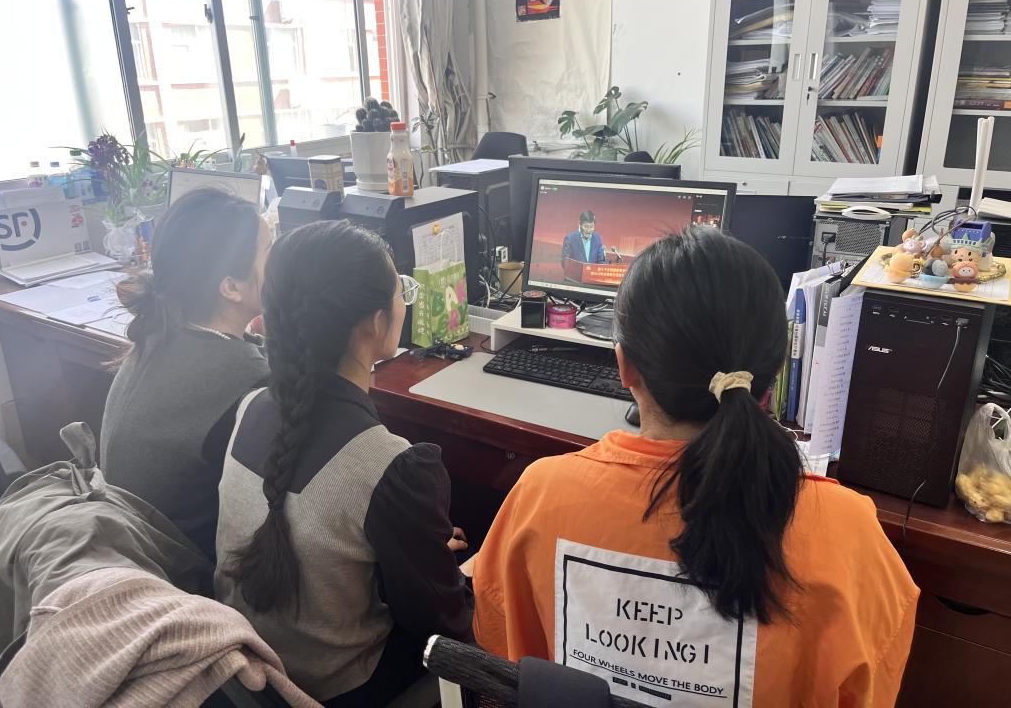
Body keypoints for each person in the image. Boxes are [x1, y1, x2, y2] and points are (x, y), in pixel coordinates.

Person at [472, 227, 919, 706]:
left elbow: (502, 648)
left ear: (624, 366)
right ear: (772, 376)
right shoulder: (846, 534)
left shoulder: (540, 495)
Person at [215, 220, 473, 706]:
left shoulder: (250, 408)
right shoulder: (390, 466)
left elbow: (321, 528)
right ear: (373, 322)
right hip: (341, 689)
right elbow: (443, 622)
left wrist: (416, 543)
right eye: (400, 290)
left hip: (248, 672)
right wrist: (435, 562)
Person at [100, 189, 272, 562]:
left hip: (128, 555)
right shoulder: (247, 380)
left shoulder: (159, 334)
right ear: (231, 287)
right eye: (270, 252)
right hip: (187, 579)